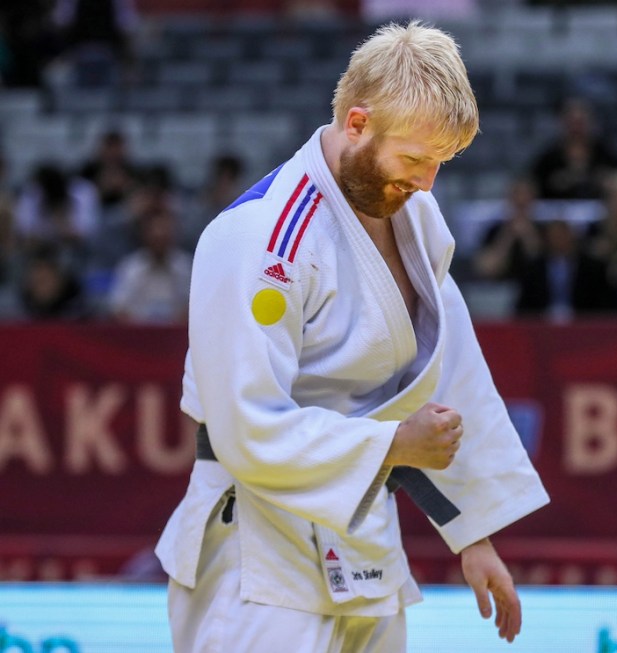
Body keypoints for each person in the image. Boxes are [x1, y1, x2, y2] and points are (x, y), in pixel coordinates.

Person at [155, 21, 549, 653]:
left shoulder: (415, 221)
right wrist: (395, 442)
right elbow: (245, 426)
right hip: (257, 548)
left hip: (365, 542)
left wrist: (472, 534)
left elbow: (447, 382)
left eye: (440, 164)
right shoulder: (263, 240)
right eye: (416, 160)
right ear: (358, 124)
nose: (427, 183)